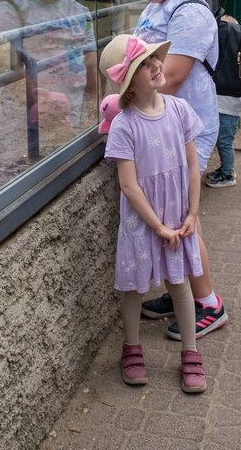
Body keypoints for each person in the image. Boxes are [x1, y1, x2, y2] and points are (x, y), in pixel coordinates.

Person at [115, 0, 228, 341]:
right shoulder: (155, 8)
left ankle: (209, 304)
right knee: (167, 214)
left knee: (183, 217)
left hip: (182, 129)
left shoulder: (189, 11)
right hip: (156, 125)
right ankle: (177, 289)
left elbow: (173, 77)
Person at [98, 34, 206, 394]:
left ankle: (190, 352)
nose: (157, 64)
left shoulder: (179, 111)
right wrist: (157, 226)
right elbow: (129, 186)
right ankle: (131, 347)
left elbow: (192, 166)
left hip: (177, 216)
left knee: (179, 284)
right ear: (130, 80)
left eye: (154, 58)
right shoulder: (126, 126)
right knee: (134, 287)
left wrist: (192, 213)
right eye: (145, 63)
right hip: (143, 222)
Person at [204, 14, 241, 188]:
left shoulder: (218, 52)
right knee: (223, 141)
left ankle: (228, 174)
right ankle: (225, 169)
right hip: (229, 107)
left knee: (224, 142)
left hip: (227, 108)